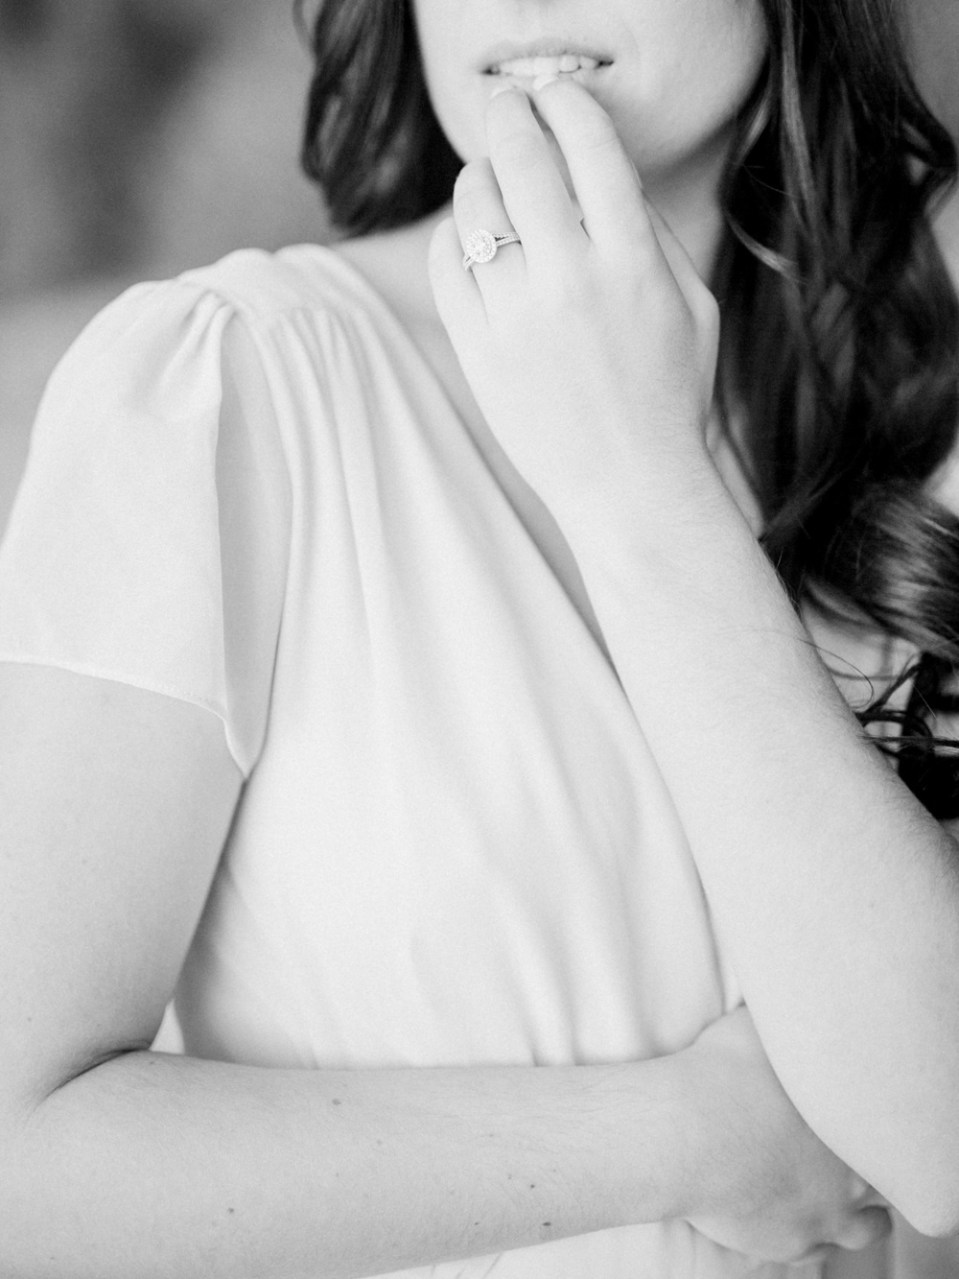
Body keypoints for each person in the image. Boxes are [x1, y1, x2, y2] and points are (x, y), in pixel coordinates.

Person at [1, 0, 958, 1276]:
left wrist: (639, 478)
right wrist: (688, 1137)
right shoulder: (220, 384)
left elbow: (937, 1136)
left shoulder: (916, 430)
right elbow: (19, 1168)